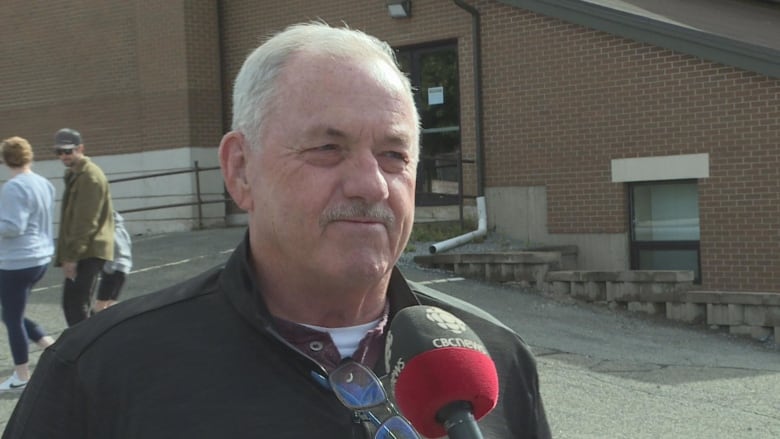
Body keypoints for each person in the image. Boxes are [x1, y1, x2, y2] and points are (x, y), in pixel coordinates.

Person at [2, 22, 551, 438]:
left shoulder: (493, 357)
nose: (372, 185)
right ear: (241, 169)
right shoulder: (100, 371)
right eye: (328, 148)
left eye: (393, 155)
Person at [0, 137, 56, 392]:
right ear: (29, 156)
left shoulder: (13, 187)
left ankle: (21, 376)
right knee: (13, 313)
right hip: (40, 258)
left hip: (18, 261)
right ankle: (52, 348)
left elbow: (13, 227)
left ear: (4, 159)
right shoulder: (44, 183)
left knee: (12, 318)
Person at [51, 128, 114, 326]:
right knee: (73, 305)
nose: (63, 156)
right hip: (85, 251)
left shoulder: (89, 176)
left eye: (68, 151)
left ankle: (86, 352)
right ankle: (83, 351)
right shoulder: (75, 174)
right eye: (59, 152)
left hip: (89, 250)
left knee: (77, 306)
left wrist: (71, 257)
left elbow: (86, 221)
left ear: (80, 148)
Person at [93, 210, 132, 313]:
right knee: (111, 303)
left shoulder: (108, 233)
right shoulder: (121, 230)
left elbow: (109, 250)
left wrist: (106, 269)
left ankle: (96, 326)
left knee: (100, 306)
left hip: (112, 269)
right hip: (124, 268)